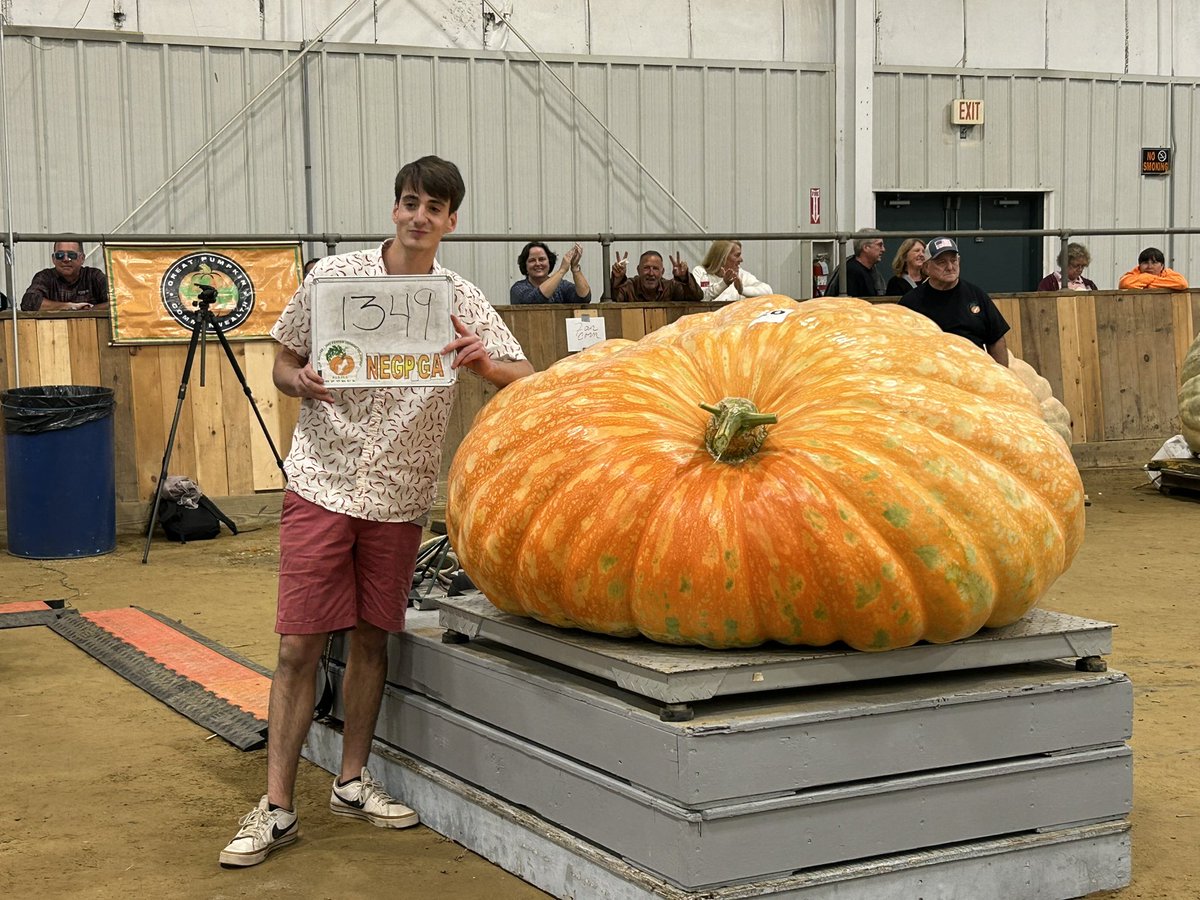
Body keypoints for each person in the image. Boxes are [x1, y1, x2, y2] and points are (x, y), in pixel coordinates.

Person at [219, 156, 533, 869]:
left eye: (435, 207)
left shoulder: (460, 298)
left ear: (452, 222)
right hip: (323, 483)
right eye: (410, 202)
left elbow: (526, 378)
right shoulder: (332, 279)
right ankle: (276, 806)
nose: (419, 216)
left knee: (371, 639)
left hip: (399, 495)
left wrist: (485, 363)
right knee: (299, 646)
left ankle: (351, 781)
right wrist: (297, 380)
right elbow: (283, 359)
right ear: (395, 209)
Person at [898, 236, 1009, 366]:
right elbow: (901, 346)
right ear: (927, 267)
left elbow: (996, 339)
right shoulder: (911, 303)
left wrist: (1003, 375)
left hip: (975, 370)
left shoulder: (976, 295)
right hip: (931, 374)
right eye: (941, 262)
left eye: (953, 260)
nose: (950, 267)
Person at [20, 240, 109, 311]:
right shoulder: (45, 277)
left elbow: (117, 301)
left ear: (82, 258)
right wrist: (69, 307)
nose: (66, 259)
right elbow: (29, 302)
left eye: (71, 255)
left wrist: (91, 310)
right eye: (60, 255)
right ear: (53, 259)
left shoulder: (94, 276)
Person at [509, 240, 592, 304]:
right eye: (532, 260)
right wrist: (562, 270)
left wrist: (575, 268)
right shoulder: (518, 288)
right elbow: (535, 300)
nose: (538, 263)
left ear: (550, 262)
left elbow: (584, 298)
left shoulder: (562, 286)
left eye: (542, 259)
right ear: (525, 265)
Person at [692, 240, 773, 303]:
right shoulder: (700, 272)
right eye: (737, 255)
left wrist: (742, 290)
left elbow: (768, 291)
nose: (741, 259)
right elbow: (700, 298)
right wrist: (724, 284)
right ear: (723, 257)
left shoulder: (741, 275)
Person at [610, 250, 703, 303]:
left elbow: (697, 297)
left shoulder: (670, 287)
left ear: (662, 272)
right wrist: (618, 279)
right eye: (646, 268)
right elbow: (611, 302)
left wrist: (684, 277)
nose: (651, 273)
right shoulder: (629, 287)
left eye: (655, 269)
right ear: (638, 270)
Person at [826, 232, 886, 297]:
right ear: (866, 247)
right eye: (879, 245)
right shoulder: (852, 271)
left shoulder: (872, 271)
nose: (883, 249)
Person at [1118, 247, 1189, 291]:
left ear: (1162, 266)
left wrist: (1146, 284)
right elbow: (1125, 284)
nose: (1149, 266)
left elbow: (1182, 284)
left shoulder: (1167, 273)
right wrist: (1160, 282)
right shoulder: (1134, 273)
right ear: (1139, 265)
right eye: (1145, 263)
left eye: (1154, 263)